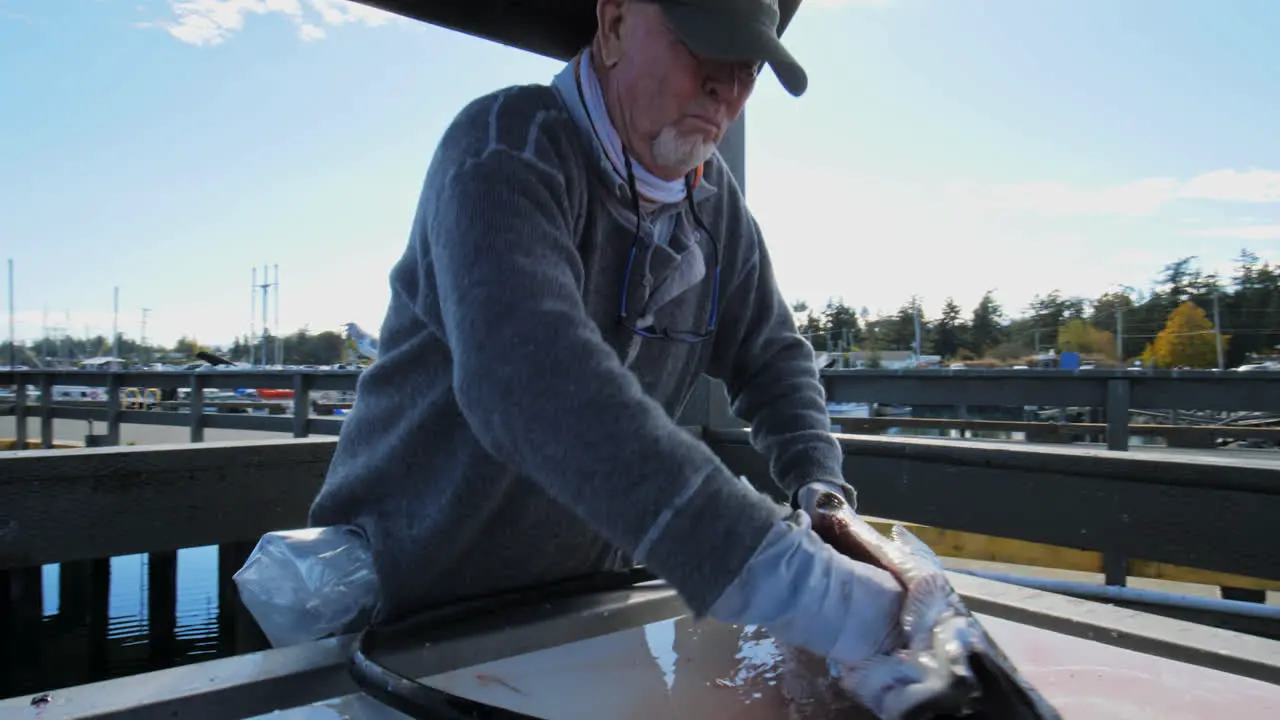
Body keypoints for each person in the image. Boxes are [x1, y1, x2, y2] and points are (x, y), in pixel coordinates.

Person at [309, 0, 905, 677]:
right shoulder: (505, 146)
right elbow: (523, 377)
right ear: (615, 23)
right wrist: (779, 573)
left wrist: (821, 495)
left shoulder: (716, 210)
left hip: (579, 615)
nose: (727, 86)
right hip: (407, 619)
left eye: (747, 67)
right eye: (703, 46)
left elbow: (772, 360)